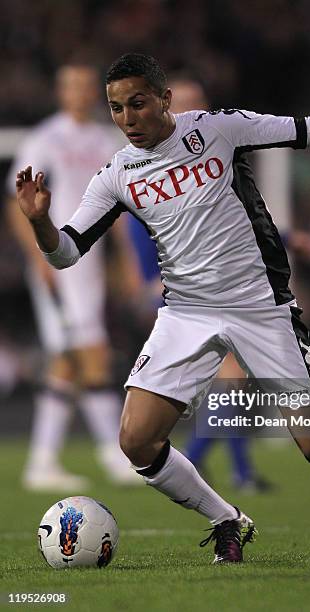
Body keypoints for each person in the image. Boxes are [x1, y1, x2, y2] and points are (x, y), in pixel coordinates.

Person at [15, 53, 310, 563]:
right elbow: (65, 253)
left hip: (261, 307)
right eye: (116, 109)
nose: (128, 119)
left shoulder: (216, 130)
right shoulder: (116, 175)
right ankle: (227, 520)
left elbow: (305, 130)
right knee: (135, 441)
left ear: (164, 100)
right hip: (185, 313)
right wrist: (40, 222)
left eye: (137, 104)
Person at [128, 73, 273, 491]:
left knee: (230, 379)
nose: (197, 114)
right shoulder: (149, 169)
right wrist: (147, 281)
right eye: (187, 105)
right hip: (177, 294)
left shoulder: (214, 160)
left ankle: (230, 470)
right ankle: (204, 464)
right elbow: (136, 233)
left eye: (201, 105)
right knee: (229, 377)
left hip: (217, 288)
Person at [7, 64, 140, 491]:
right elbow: (17, 202)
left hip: (91, 263)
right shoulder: (46, 137)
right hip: (58, 263)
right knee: (91, 350)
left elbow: (116, 205)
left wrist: (127, 262)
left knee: (68, 358)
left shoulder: (104, 139)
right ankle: (112, 452)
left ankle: (42, 461)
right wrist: (39, 258)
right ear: (60, 91)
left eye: (86, 86)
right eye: (71, 85)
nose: (79, 92)